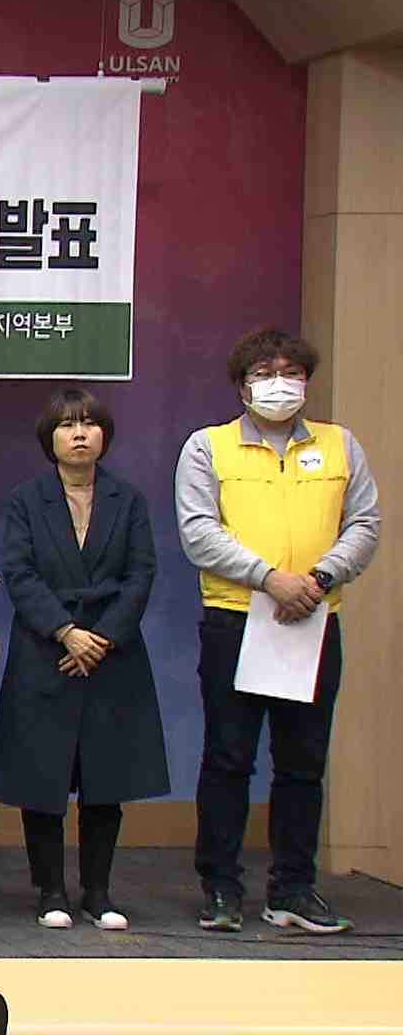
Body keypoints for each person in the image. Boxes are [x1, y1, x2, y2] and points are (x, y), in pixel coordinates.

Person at [175, 328, 380, 934]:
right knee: (228, 758)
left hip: (314, 619)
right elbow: (198, 531)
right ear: (242, 386)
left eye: (291, 372)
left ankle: (293, 888)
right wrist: (269, 579)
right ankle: (220, 887)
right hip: (237, 618)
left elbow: (364, 524)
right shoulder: (208, 446)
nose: (279, 383)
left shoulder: (340, 445)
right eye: (265, 373)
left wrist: (318, 578)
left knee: (303, 763)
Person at [0, 389, 168, 931]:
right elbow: (19, 573)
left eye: (90, 423)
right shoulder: (26, 500)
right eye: (68, 425)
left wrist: (101, 637)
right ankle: (50, 891)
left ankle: (98, 892)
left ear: (104, 435)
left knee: (105, 778)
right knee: (42, 778)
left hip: (112, 655)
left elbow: (141, 574)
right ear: (51, 438)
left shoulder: (127, 500)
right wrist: (67, 632)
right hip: (47, 651)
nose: (80, 433)